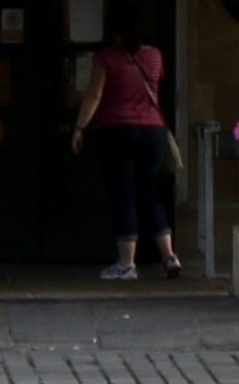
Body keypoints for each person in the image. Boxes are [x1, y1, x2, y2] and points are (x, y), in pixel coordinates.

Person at [75, 32, 178, 279]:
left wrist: (79, 127)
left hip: (117, 130)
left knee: (124, 197)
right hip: (152, 132)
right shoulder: (154, 55)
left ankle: (126, 264)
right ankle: (169, 256)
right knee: (150, 194)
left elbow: (94, 95)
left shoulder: (106, 58)